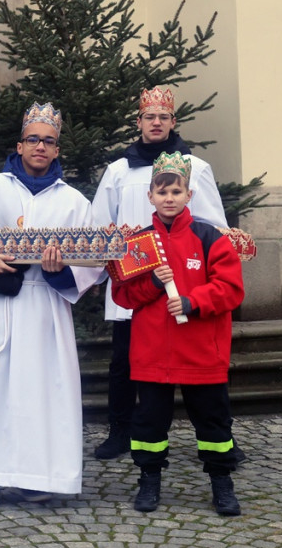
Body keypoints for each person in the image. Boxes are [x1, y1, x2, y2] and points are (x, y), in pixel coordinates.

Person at [0, 102, 103, 511]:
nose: (41, 147)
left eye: (49, 142)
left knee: (41, 390)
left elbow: (95, 258)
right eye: (34, 139)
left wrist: (60, 269)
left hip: (45, 303)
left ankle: (35, 476)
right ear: (20, 144)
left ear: (57, 149)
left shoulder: (74, 201)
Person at [92, 87, 228, 459]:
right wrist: (101, 272)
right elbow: (100, 226)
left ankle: (218, 439)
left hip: (184, 282)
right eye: (149, 117)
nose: (156, 123)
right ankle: (120, 431)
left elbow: (213, 224)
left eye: (163, 117)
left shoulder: (196, 168)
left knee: (196, 362)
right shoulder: (119, 170)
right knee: (123, 362)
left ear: (173, 122)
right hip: (134, 282)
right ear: (139, 123)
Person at [110, 152, 245, 516]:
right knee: (149, 422)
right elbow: (123, 295)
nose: (169, 197)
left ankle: (222, 482)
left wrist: (191, 301)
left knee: (213, 422)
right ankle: (149, 481)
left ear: (189, 195)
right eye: (162, 191)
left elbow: (231, 289)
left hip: (202, 351)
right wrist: (153, 283)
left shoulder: (210, 238)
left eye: (176, 190)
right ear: (150, 196)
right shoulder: (139, 243)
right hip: (152, 352)